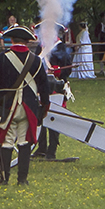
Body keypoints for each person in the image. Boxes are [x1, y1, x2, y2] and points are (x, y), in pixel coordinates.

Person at [0, 25, 50, 186]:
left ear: (11, 40)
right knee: (24, 141)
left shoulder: (1, 58)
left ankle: (4, 178)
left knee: (6, 141)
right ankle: (22, 180)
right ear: (27, 42)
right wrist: (44, 107)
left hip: (6, 107)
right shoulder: (37, 61)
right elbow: (44, 87)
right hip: (28, 107)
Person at [35, 29, 75, 160]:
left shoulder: (61, 47)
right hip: (41, 87)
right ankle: (41, 147)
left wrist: (58, 72)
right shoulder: (40, 48)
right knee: (40, 117)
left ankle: (52, 150)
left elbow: (68, 68)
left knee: (54, 118)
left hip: (56, 88)